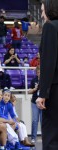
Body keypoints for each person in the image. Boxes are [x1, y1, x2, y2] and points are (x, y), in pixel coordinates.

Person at [35, 1, 58, 149]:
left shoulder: (50, 26)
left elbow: (48, 63)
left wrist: (43, 93)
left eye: (43, 11)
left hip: (55, 89)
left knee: (51, 134)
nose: (42, 15)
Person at [28, 66, 41, 143]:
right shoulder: (34, 80)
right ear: (36, 73)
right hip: (34, 102)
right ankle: (33, 137)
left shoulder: (46, 80)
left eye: (40, 72)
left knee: (43, 121)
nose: (39, 74)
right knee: (35, 120)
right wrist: (34, 89)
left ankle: (44, 136)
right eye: (38, 72)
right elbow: (29, 91)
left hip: (43, 102)